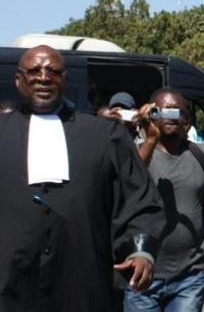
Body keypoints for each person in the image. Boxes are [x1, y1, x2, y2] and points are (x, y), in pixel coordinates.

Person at [0, 45, 163, 311]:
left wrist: (141, 250)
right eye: (33, 71)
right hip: (10, 288)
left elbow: (139, 200)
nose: (43, 77)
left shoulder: (106, 136)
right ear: (18, 81)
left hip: (84, 287)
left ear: (65, 80)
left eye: (53, 71)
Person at [125, 88, 204, 311]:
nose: (170, 116)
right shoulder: (137, 153)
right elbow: (131, 183)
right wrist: (150, 138)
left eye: (176, 112)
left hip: (190, 276)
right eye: (162, 111)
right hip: (143, 274)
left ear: (186, 120)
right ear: (151, 114)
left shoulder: (202, 155)